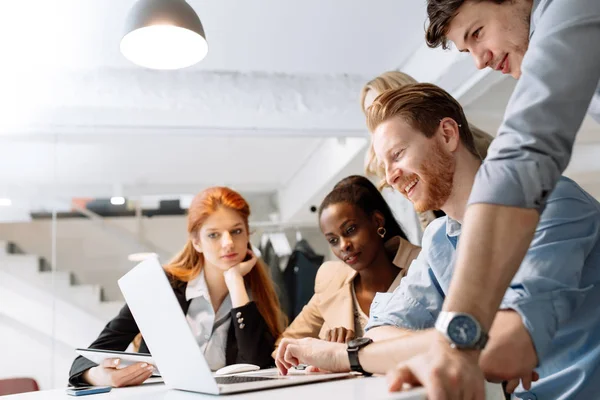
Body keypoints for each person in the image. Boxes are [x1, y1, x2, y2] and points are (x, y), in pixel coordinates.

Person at [275, 84, 600, 399]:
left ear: (447, 134)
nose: (390, 178)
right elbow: (378, 330)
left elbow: (507, 345)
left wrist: (345, 356)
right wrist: (465, 344)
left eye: (398, 154)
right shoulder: (440, 240)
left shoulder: (552, 202)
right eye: (385, 166)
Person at [388, 0, 600, 397]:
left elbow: (526, 154)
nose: (480, 63)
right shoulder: (440, 238)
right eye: (467, 50)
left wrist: (459, 341)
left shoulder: (568, 8)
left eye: (477, 33)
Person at [69, 187, 285, 387]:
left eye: (236, 231)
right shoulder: (160, 286)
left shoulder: (255, 296)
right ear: (196, 242)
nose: (228, 242)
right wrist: (98, 375)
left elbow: (258, 368)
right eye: (213, 235)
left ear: (247, 234)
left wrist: (235, 281)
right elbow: (86, 359)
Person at [274, 175, 420, 353]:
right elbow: (283, 346)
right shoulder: (332, 281)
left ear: (377, 221)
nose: (344, 245)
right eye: (333, 240)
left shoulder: (421, 268)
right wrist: (324, 353)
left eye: (350, 230)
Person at [361, 70, 494, 231]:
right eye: (369, 112)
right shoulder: (437, 238)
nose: (391, 178)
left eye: (398, 154)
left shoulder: (477, 151)